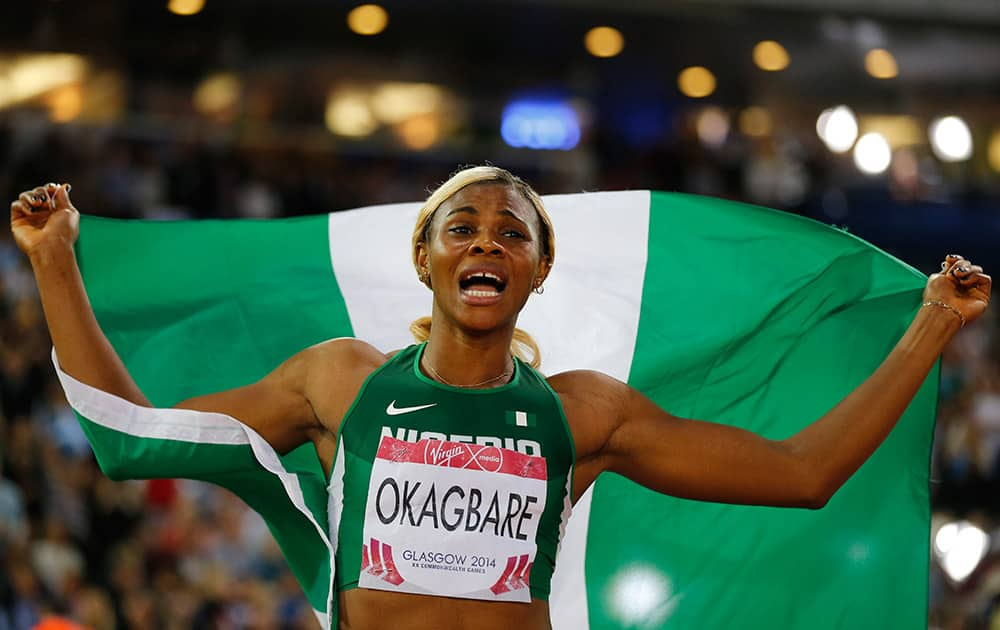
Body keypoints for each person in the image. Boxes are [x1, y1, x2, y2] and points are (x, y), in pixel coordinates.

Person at [9, 166, 993, 630]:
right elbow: (128, 442)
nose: (486, 241)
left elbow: (802, 472)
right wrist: (56, 262)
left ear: (534, 271)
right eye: (464, 227)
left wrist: (931, 326)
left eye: (511, 233)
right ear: (427, 260)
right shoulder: (338, 381)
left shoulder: (580, 414)